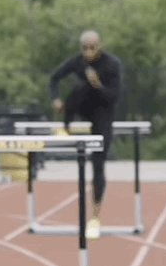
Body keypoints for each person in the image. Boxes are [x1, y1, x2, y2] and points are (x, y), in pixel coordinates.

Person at [48, 30, 123, 240]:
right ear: (81, 48)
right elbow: (54, 79)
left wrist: (97, 83)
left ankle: (95, 216)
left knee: (98, 165)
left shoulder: (111, 64)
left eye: (93, 47)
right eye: (85, 48)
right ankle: (66, 127)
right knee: (78, 88)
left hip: (104, 110)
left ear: (100, 46)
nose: (89, 52)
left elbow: (114, 97)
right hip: (84, 106)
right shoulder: (77, 62)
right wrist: (55, 99)